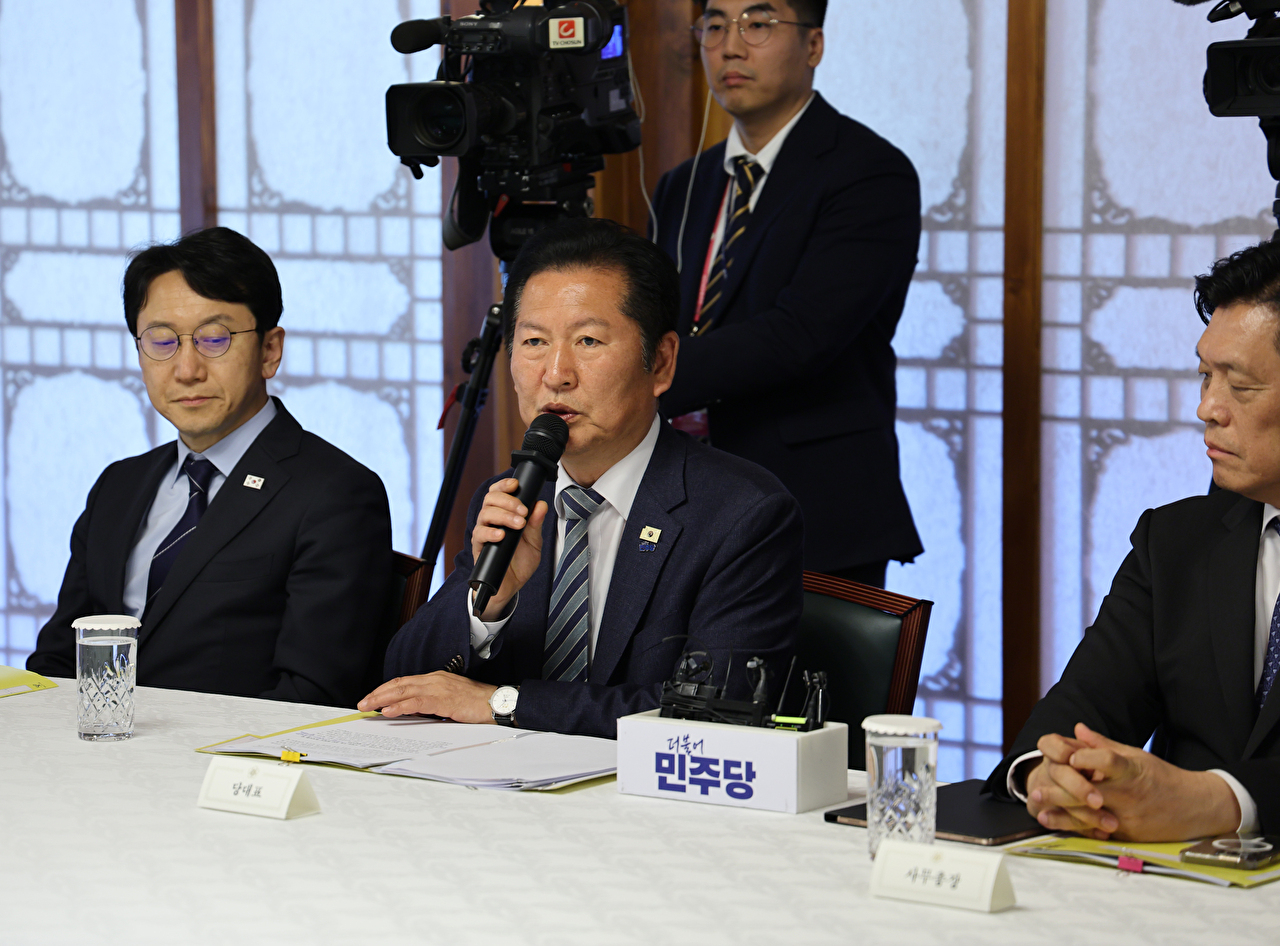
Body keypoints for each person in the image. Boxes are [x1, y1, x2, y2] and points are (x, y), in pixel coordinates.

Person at [364, 218, 804, 738]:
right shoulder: (512, 495)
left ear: (660, 363)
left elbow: (711, 716)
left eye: (589, 340)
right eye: (532, 342)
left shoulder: (741, 514)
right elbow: (403, 682)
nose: (555, 373)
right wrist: (490, 601)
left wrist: (507, 703)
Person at [986, 240, 1280, 841]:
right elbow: (1075, 714)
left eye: (1240, 387)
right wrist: (1051, 776)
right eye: (1205, 376)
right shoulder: (1174, 542)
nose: (1206, 408)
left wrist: (1222, 802)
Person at [27, 227, 393, 707]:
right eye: (162, 341)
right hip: (97, 763)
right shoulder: (119, 484)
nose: (187, 369)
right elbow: (58, 664)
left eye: (215, 338)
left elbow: (313, 694)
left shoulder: (336, 494)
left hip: (234, 767)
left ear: (270, 350)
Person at [649, 0, 922, 587]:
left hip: (813, 502)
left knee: (810, 681)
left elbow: (801, 334)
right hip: (683, 498)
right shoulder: (682, 185)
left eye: (758, 23)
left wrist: (641, 373)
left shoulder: (869, 173)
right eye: (715, 26)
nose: (730, 46)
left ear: (814, 46)